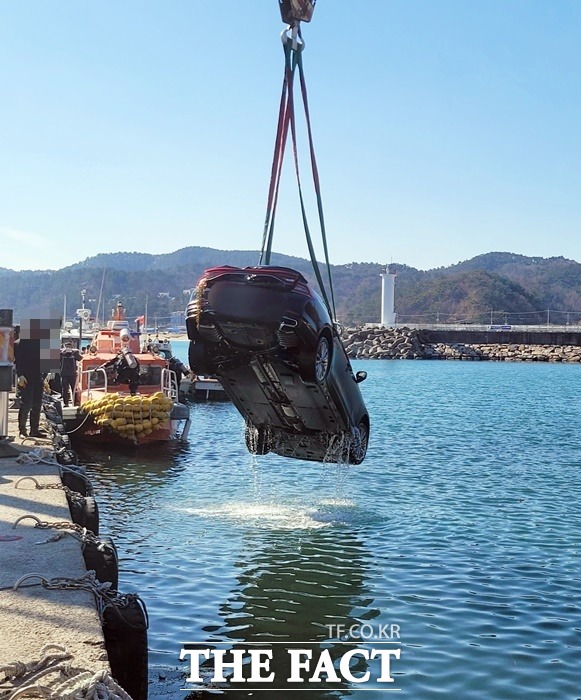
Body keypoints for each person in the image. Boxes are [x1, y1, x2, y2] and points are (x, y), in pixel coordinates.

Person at [14, 321, 45, 438]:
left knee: (37, 405)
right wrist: (20, 375)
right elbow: (18, 362)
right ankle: (22, 430)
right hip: (25, 378)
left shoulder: (39, 343)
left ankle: (34, 430)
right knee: (26, 404)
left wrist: (44, 376)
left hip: (38, 377)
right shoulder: (18, 344)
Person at [60, 340, 82, 407]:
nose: (68, 348)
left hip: (72, 374)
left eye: (69, 347)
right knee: (65, 389)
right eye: (67, 347)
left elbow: (80, 358)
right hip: (64, 374)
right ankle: (66, 403)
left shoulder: (75, 353)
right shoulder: (61, 354)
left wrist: (74, 353)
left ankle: (75, 402)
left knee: (74, 388)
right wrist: (63, 352)